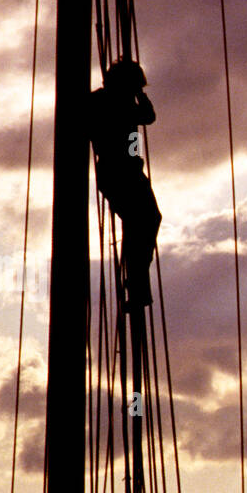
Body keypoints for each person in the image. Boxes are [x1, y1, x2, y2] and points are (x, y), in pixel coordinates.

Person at [89, 59, 161, 309]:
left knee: (143, 223)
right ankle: (137, 284)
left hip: (129, 173)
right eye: (134, 87)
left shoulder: (117, 101)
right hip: (119, 173)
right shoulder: (105, 102)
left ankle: (137, 282)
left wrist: (138, 93)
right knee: (143, 221)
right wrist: (140, 94)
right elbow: (148, 116)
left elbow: (148, 117)